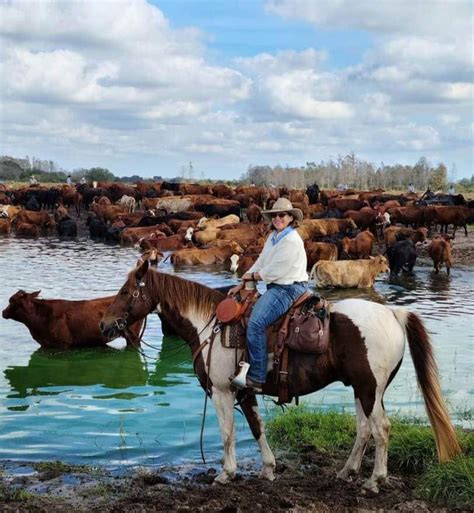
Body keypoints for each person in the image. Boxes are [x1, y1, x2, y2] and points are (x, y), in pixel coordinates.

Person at [229, 198, 308, 393]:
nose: (277, 218)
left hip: (288, 288)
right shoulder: (273, 237)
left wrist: (254, 277)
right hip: (276, 286)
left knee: (256, 324)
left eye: (282, 215)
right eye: (274, 215)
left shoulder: (291, 240)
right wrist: (243, 282)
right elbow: (261, 262)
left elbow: (274, 271)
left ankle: (257, 377)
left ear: (290, 218)